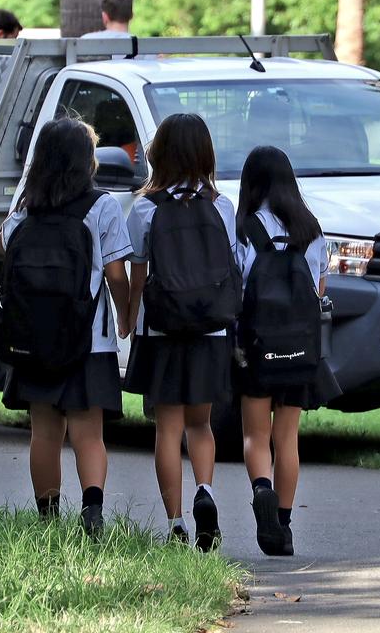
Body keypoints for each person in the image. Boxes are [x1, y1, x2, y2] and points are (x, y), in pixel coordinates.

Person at [0, 117, 132, 539]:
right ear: (85, 162)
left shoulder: (25, 210)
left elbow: (3, 245)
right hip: (87, 339)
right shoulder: (102, 206)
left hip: (33, 339)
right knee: (88, 433)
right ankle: (92, 515)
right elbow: (115, 273)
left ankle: (47, 517)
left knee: (44, 432)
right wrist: (126, 315)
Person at [124, 113, 240, 550]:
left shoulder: (145, 208)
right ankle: (205, 491)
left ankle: (175, 523)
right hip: (210, 329)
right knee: (202, 425)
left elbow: (139, 274)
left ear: (160, 154)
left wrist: (130, 318)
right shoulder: (221, 206)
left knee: (167, 429)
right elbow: (228, 268)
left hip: (164, 329)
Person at [234, 146, 342, 556]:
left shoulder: (244, 227)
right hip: (300, 351)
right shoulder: (311, 229)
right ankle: (284, 524)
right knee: (287, 437)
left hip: (257, 348)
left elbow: (238, 288)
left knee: (255, 435)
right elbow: (319, 292)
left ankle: (261, 488)